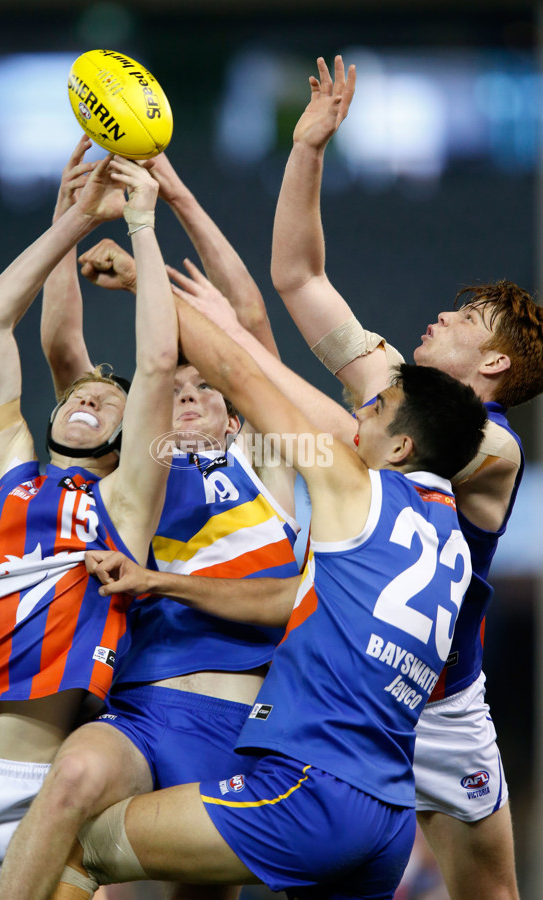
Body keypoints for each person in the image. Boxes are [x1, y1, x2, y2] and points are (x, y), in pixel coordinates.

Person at [51, 294, 488, 900]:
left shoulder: (347, 484)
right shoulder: (455, 544)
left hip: (310, 785)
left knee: (76, 845)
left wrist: (143, 275)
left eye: (377, 408)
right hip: (389, 808)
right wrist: (159, 582)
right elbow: (296, 595)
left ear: (401, 447)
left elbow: (243, 373)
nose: (357, 415)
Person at [0, 144, 301, 900]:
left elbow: (253, 325)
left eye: (207, 387)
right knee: (70, 784)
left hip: (245, 726)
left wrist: (179, 199)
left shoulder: (265, 460)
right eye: (177, 386)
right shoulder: (134, 467)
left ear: (236, 414)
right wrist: (69, 223)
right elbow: (68, 355)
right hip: (143, 706)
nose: (189, 394)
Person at [270, 56, 543, 900]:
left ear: (493, 360)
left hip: (443, 701)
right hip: (347, 675)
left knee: (489, 894)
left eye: (461, 319)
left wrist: (267, 397)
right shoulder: (392, 394)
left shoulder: (494, 451)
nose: (440, 316)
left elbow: (367, 441)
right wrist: (308, 148)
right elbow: (300, 279)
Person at [0, 154, 178, 900]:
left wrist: (141, 224)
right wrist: (74, 219)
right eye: (78, 390)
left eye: (110, 399)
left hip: (40, 788)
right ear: (49, 415)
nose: (91, 398)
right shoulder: (1, 467)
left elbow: (160, 360)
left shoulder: (128, 501)